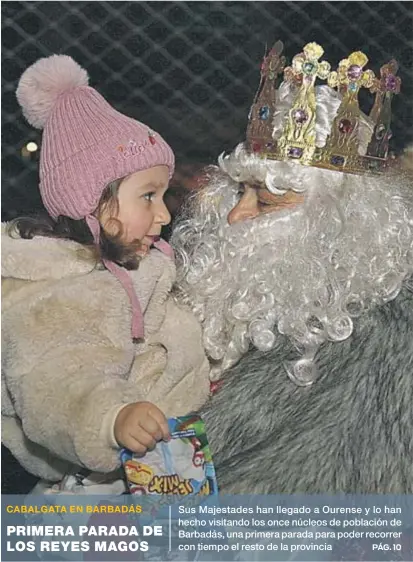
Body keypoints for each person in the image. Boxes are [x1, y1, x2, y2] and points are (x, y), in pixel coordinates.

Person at [172, 42, 413, 493]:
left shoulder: (376, 351)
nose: (235, 217)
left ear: (341, 225)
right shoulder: (282, 308)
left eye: (264, 201)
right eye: (238, 193)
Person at [1, 54, 210, 493]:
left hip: (167, 466)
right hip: (97, 483)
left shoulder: (136, 264)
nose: (165, 215)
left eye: (164, 194)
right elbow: (57, 380)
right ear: (89, 203)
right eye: (148, 196)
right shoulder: (60, 292)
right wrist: (111, 418)